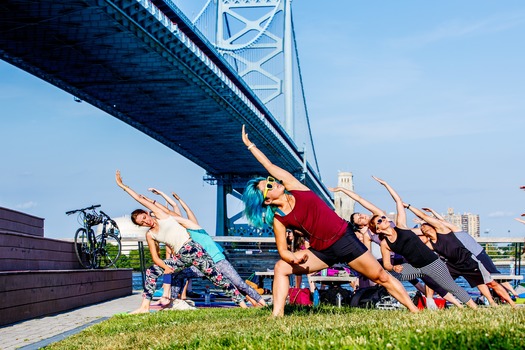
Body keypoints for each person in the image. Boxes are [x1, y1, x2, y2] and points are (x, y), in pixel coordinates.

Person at [240, 125, 419, 316]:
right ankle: (277, 315)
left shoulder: (294, 185)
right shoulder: (279, 219)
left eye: (269, 180)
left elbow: (270, 166)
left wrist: (251, 146)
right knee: (281, 268)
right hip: (321, 251)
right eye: (268, 185)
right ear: (267, 200)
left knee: (381, 276)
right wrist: (292, 258)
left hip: (343, 238)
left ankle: (414, 311)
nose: (273, 181)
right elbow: (283, 250)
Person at [115, 170, 246, 313]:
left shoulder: (161, 215)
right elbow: (155, 257)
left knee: (218, 278)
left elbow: (140, 199)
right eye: (143, 223)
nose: (147, 222)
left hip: (194, 250)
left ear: (147, 213)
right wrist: (165, 267)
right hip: (180, 256)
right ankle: (144, 307)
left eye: (144, 218)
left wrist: (123, 186)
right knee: (151, 271)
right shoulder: (150, 235)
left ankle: (242, 304)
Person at [371, 176, 478, 309]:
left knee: (451, 287)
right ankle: (410, 306)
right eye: (379, 221)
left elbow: (398, 201)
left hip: (433, 263)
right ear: (377, 229)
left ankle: (474, 308)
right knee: (388, 277)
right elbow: (387, 264)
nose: (383, 219)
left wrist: (386, 184)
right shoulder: (385, 244)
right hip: (415, 267)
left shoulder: (401, 226)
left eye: (382, 217)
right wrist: (393, 268)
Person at [148, 188, 267, 308]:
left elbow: (174, 212)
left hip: (218, 260)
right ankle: (173, 302)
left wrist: (157, 200)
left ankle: (260, 302)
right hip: (203, 265)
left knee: (238, 283)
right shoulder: (182, 237)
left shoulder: (194, 227)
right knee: (177, 274)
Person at [406, 204, 516, 308]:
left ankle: (508, 303)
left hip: (469, 261)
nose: (423, 228)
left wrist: (409, 207)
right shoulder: (431, 244)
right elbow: (413, 237)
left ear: (433, 228)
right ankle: (430, 301)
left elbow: (431, 219)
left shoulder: (445, 231)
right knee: (434, 277)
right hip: (453, 265)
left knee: (489, 283)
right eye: (422, 229)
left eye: (425, 226)